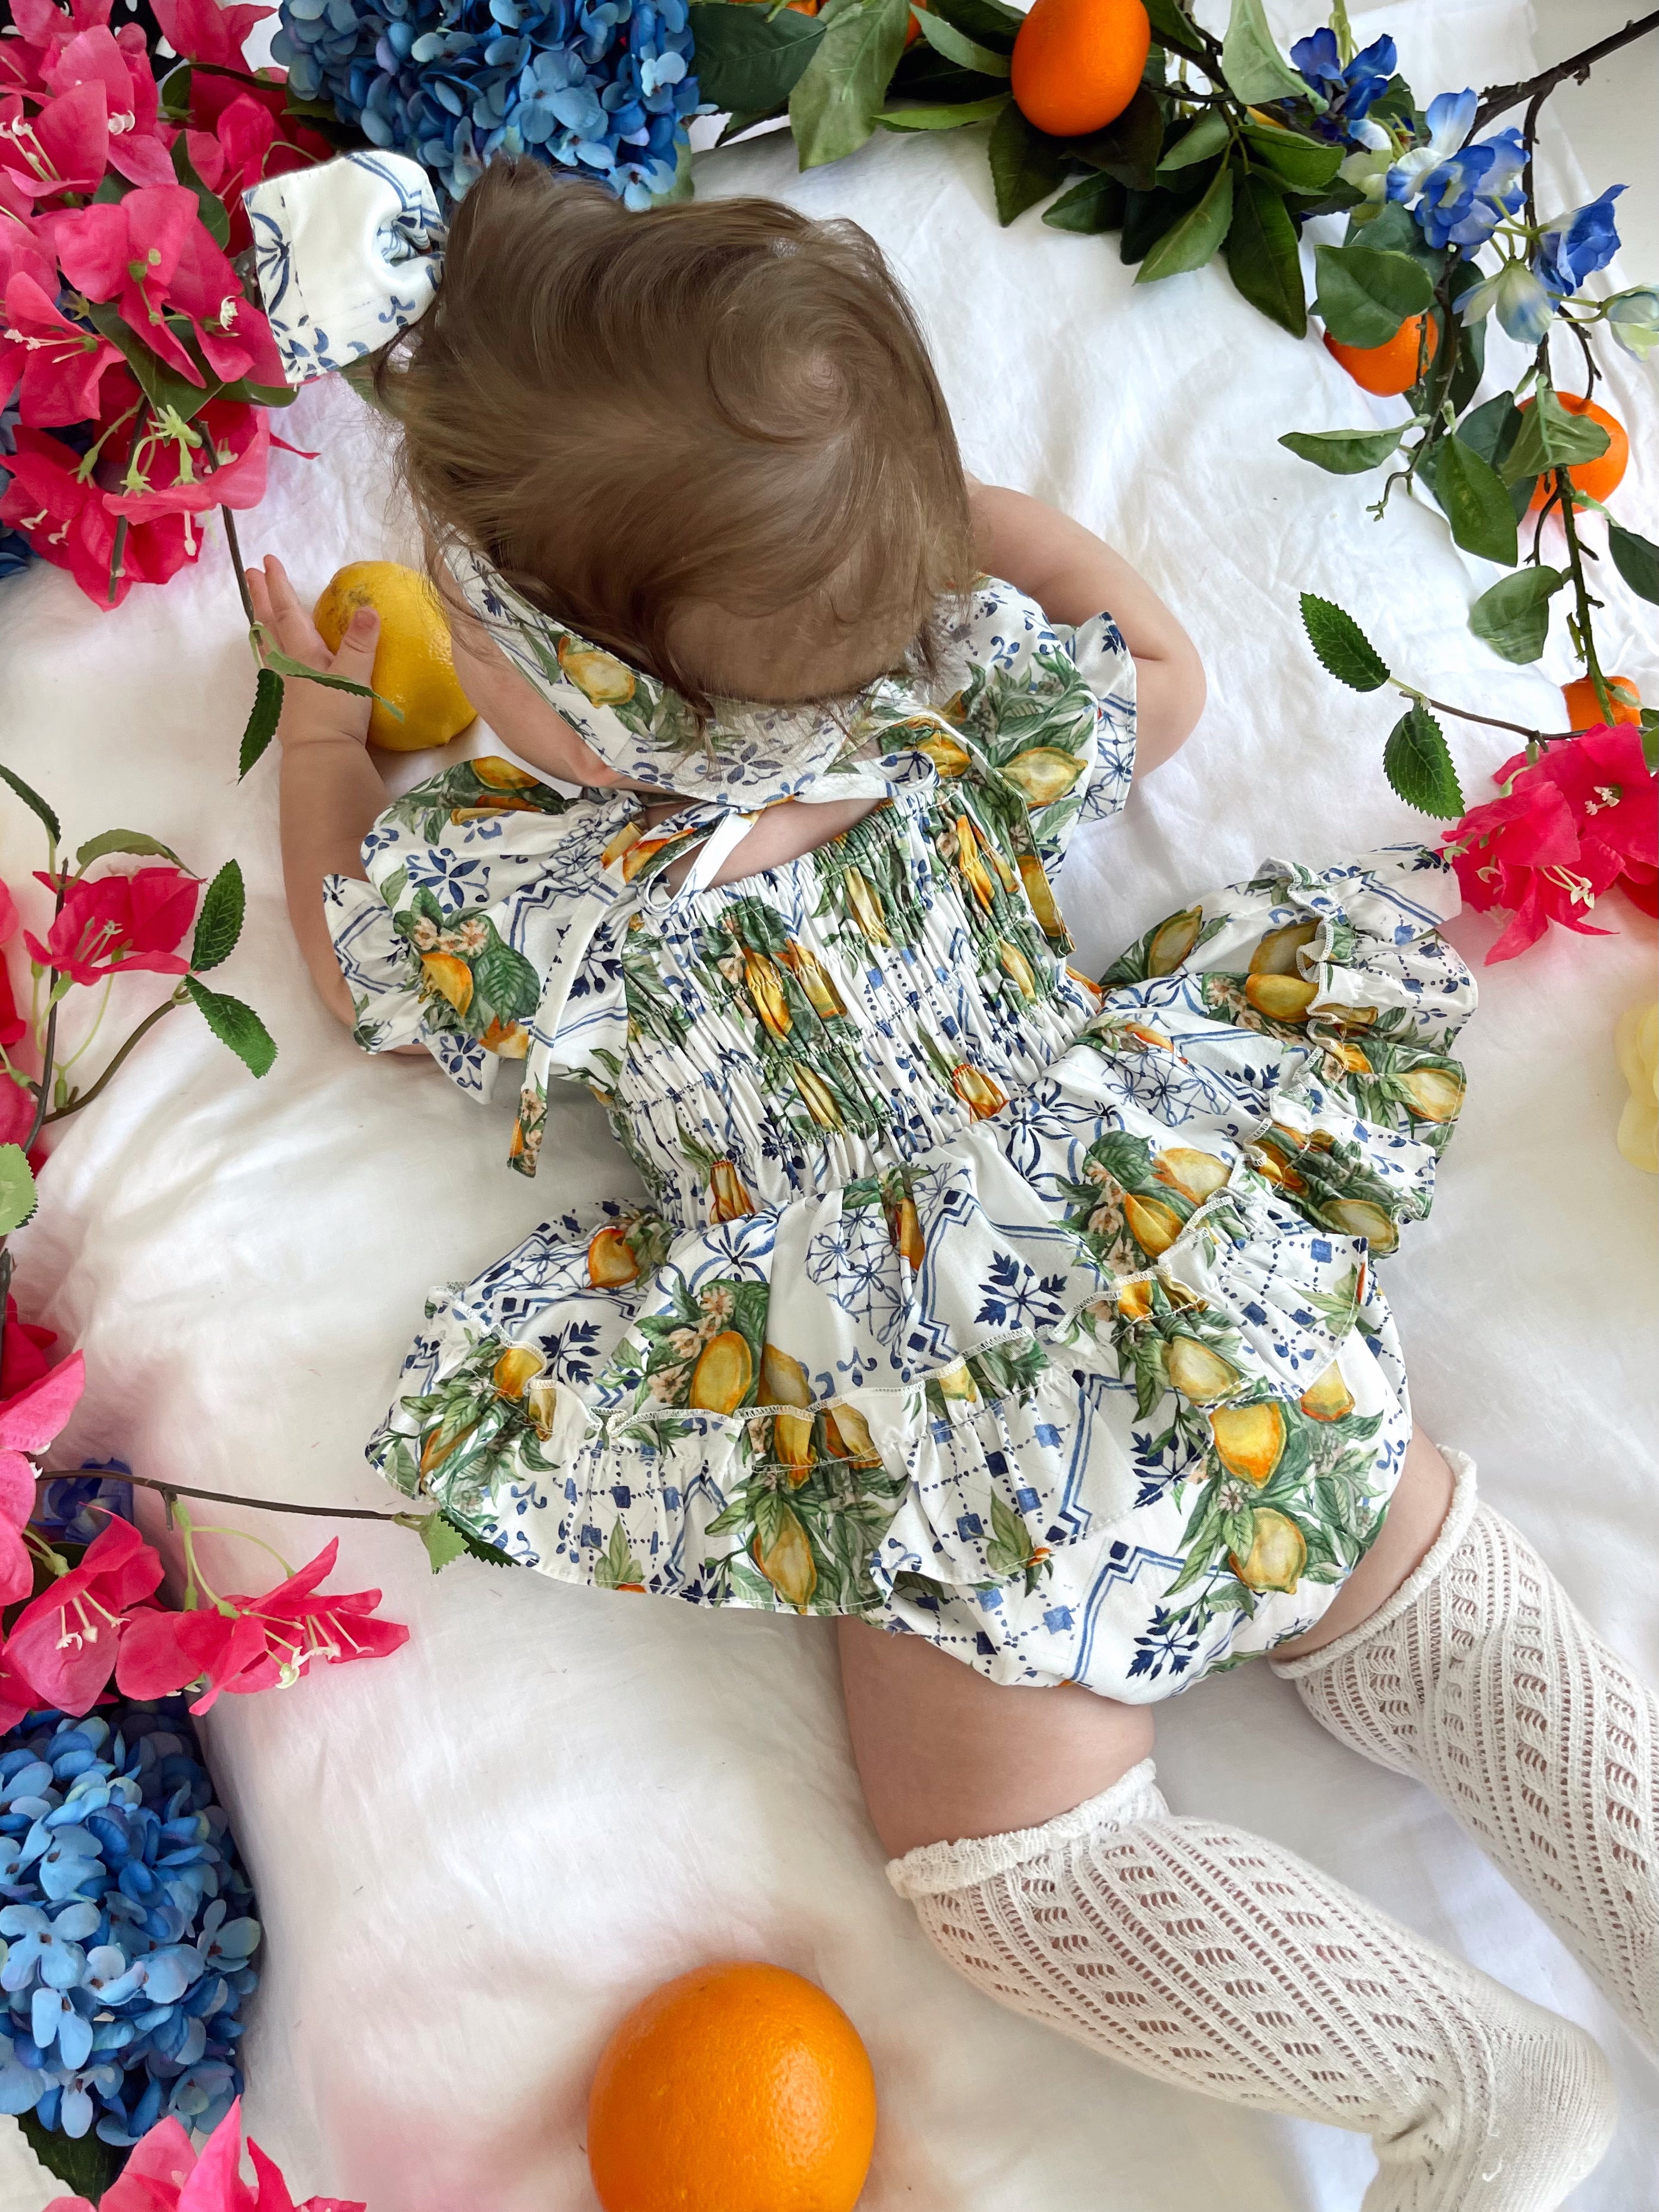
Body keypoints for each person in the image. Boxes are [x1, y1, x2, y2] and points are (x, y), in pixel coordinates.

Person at [252, 151, 1653, 2210]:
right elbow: (1163, 664)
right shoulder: (957, 715)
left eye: (478, 613)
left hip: (933, 1397)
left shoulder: (556, 894)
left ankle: (1465, 2077)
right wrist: (946, 529)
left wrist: (314, 734)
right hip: (1176, 1244)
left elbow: (352, 965)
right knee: (1405, 1556)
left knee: (1011, 1858)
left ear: (595, 694)